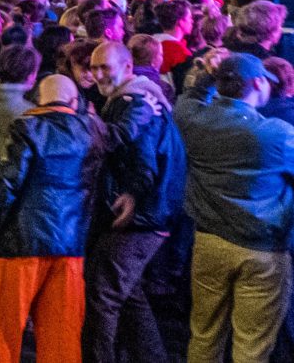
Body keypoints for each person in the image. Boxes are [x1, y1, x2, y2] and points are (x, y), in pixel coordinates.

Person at [0, 74, 104, 363]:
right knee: (62, 340)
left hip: (19, 244)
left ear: (38, 99)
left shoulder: (28, 127)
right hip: (70, 248)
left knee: (2, 337)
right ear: (74, 101)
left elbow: (8, 182)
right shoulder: (93, 132)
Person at [174, 52, 294, 363]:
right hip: (262, 250)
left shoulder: (192, 120)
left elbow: (191, 96)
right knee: (251, 347)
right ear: (257, 83)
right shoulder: (276, 134)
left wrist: (209, 74)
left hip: (209, 242)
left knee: (203, 336)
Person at [84, 40, 185, 363]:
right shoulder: (134, 97)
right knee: (128, 294)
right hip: (151, 214)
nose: (97, 74)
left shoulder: (133, 100)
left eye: (105, 67)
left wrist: (132, 195)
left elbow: (140, 156)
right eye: (94, 67)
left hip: (141, 218)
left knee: (103, 294)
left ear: (127, 68)